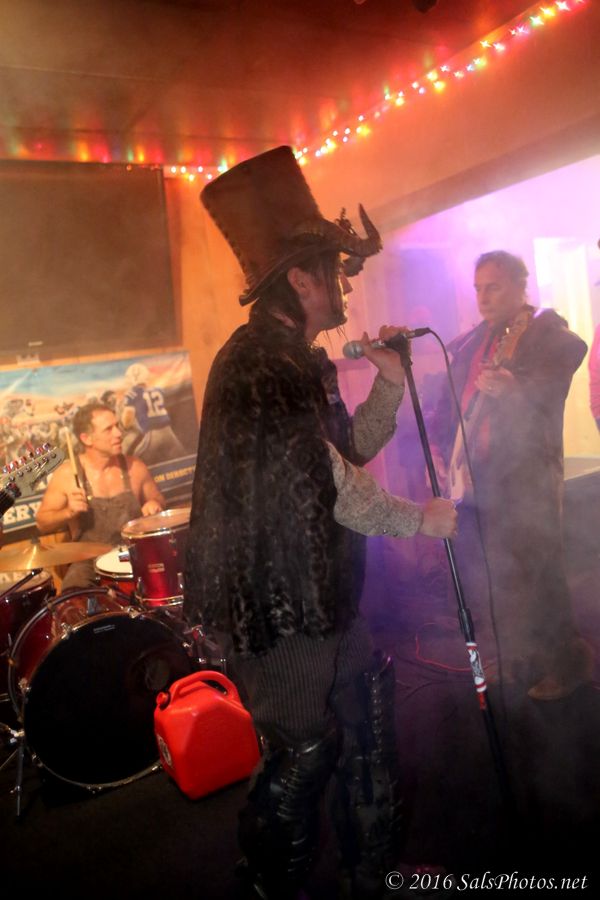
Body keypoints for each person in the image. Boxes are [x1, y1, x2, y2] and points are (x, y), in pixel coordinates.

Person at [183, 146, 456, 900]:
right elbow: (334, 485)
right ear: (300, 280)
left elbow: (345, 451)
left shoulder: (298, 360)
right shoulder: (259, 364)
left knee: (368, 713)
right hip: (280, 610)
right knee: (302, 754)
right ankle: (272, 888)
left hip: (323, 595)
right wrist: (419, 520)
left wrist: (391, 383)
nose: (343, 285)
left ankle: (375, 871)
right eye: (332, 272)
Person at [430, 250, 590, 701]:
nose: (483, 297)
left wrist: (517, 388)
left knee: (539, 571)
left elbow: (570, 355)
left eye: (494, 286)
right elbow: (451, 399)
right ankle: (520, 656)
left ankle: (568, 664)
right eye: (478, 288)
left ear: (521, 286)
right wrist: (442, 449)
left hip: (525, 477)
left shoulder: (545, 331)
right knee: (496, 574)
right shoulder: (473, 341)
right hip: (478, 476)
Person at [36, 402, 165, 590]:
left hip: (134, 554)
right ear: (87, 438)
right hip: (88, 562)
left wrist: (154, 503)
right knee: (72, 595)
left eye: (117, 426)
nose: (118, 433)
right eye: (108, 429)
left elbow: (159, 500)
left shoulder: (134, 467)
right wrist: (68, 511)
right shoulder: (67, 474)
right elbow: (42, 522)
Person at [119, 362, 186, 464]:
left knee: (137, 463)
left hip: (152, 434)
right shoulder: (158, 390)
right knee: (182, 458)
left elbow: (128, 418)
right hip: (168, 431)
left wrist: (125, 425)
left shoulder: (132, 394)